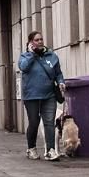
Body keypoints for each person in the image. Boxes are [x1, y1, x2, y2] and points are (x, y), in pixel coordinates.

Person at [18, 30, 66, 161]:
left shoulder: (51, 56)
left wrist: (61, 82)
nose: (40, 42)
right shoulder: (24, 57)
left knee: (49, 122)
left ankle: (50, 150)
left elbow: (58, 73)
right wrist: (32, 54)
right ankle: (31, 148)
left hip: (49, 95)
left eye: (41, 39)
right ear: (30, 43)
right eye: (36, 40)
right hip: (31, 96)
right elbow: (23, 67)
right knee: (34, 122)